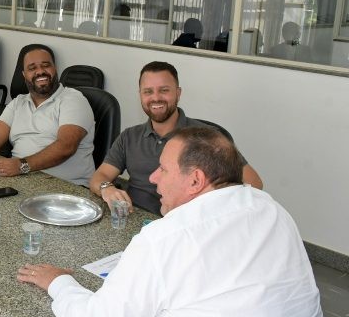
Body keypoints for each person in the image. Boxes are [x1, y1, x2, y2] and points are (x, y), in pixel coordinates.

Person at [17, 127, 334, 317]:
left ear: (195, 180)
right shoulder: (273, 210)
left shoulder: (165, 237)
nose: (153, 178)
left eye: (164, 169)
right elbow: (229, 297)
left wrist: (59, 283)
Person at [89, 61, 262, 215]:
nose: (156, 97)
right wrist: (107, 188)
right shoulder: (129, 136)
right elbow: (99, 176)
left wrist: (206, 214)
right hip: (135, 220)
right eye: (148, 91)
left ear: (178, 93)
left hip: (186, 226)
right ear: (140, 95)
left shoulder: (206, 137)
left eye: (164, 90)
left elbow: (253, 183)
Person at [0, 44, 95, 186]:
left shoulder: (73, 99)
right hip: (21, 180)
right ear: (24, 75)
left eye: (46, 65)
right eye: (32, 68)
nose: (40, 71)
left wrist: (22, 166)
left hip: (66, 187)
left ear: (55, 69)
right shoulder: (18, 103)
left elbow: (66, 146)